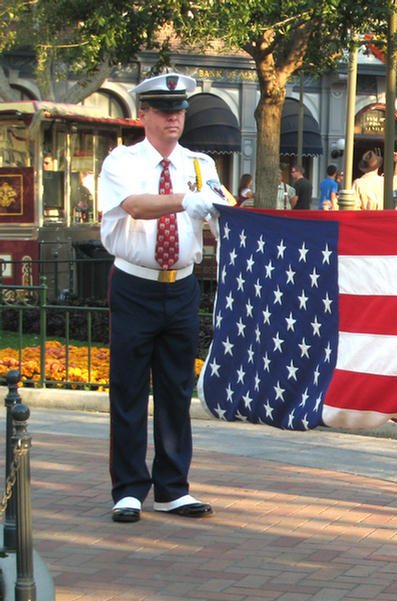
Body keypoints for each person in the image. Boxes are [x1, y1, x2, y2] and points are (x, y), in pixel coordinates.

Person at [98, 72, 224, 524]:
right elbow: (134, 205)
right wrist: (183, 200)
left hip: (182, 284)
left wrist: (230, 220)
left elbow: (218, 214)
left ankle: (173, 487)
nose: (174, 117)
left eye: (180, 110)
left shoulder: (201, 164)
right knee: (129, 388)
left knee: (175, 389)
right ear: (144, 115)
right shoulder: (123, 161)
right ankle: (129, 489)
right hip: (136, 285)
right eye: (163, 109)